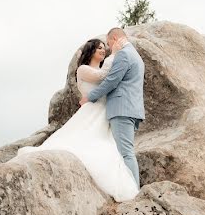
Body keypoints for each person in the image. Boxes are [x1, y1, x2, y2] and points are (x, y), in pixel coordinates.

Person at [15, 37, 139, 202]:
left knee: (110, 147)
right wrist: (114, 54)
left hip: (105, 113)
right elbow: (102, 77)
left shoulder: (104, 66)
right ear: (90, 51)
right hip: (92, 112)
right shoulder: (83, 69)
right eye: (99, 48)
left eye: (104, 48)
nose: (103, 50)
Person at [79, 27, 146, 187]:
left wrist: (90, 97)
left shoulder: (123, 54)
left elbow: (111, 81)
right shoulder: (136, 56)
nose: (108, 48)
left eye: (108, 44)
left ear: (115, 38)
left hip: (121, 108)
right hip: (131, 108)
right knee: (123, 152)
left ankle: (133, 189)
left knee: (125, 153)